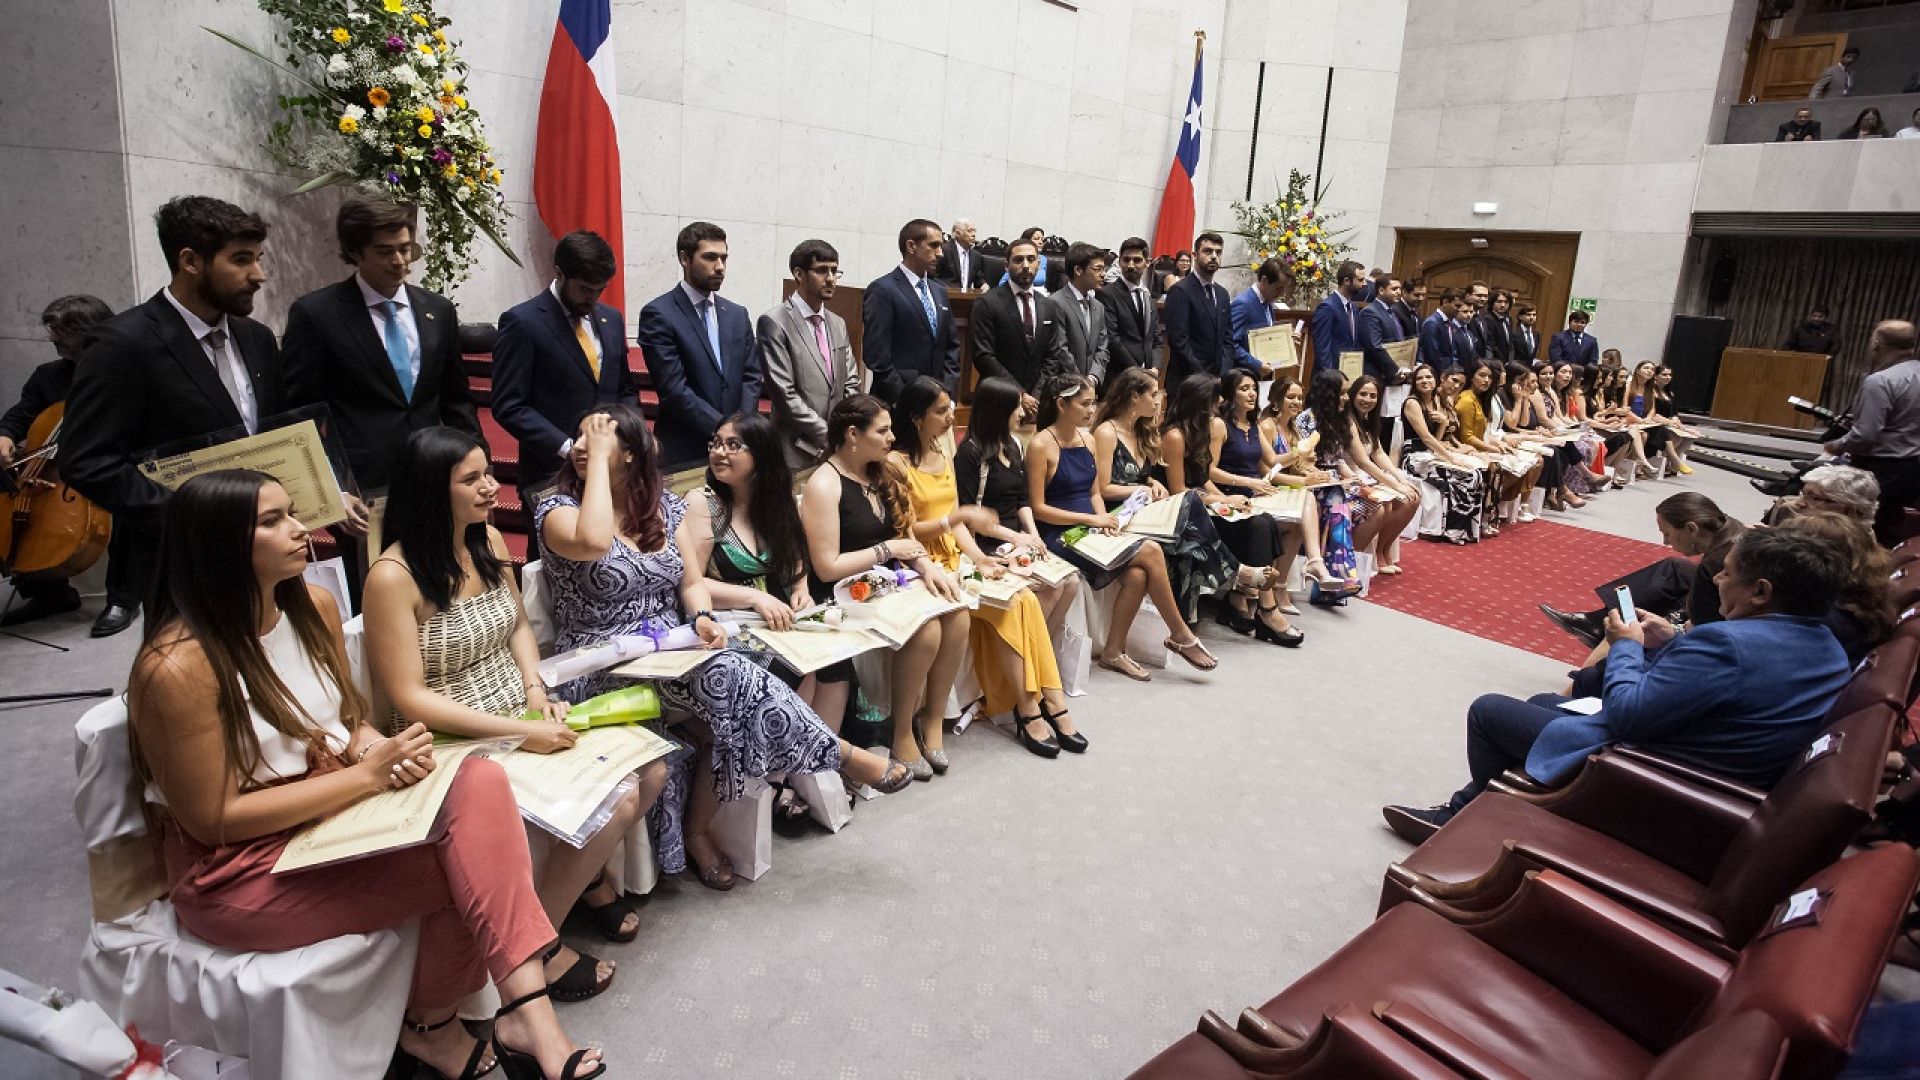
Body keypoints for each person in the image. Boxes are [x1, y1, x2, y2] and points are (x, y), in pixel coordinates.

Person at [128, 470, 605, 1080]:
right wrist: (367, 777)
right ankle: (457, 1024)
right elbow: (214, 821)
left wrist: (380, 748)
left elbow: (345, 721)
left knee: (480, 781)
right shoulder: (175, 668)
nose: (300, 529)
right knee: (469, 865)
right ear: (217, 544)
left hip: (328, 811)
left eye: (292, 511)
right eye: (272, 521)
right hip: (240, 869)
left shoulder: (314, 606)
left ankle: (506, 1016)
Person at [537, 405, 911, 884]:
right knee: (733, 676)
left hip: (666, 648)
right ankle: (842, 757)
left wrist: (702, 618)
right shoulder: (558, 511)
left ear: (630, 454)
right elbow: (592, 542)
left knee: (736, 676)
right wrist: (598, 461)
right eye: (581, 438)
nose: (582, 447)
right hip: (599, 659)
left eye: (598, 438)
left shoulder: (661, 510)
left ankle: (699, 832)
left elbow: (691, 583)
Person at [363, 427, 659, 1003]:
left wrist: (534, 690)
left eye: (488, 474)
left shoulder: (488, 540)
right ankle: (536, 947)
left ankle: (550, 912)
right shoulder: (393, 576)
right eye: (471, 479)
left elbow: (518, 625)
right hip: (452, 738)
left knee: (650, 772)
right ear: (430, 490)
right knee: (621, 796)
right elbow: (410, 698)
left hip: (515, 711)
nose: (490, 488)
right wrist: (521, 730)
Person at [1384, 527, 1854, 841]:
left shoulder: (1727, 643)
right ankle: (1471, 806)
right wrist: (1671, 640)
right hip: (1709, 762)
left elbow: (1629, 715)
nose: (1718, 580)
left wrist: (1626, 645)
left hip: (1652, 773)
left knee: (1489, 712)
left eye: (1728, 572)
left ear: (1761, 591)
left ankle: (1472, 823)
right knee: (1543, 700)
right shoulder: (1829, 646)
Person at [64, 196, 284, 639]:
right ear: (190, 261)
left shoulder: (257, 338)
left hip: (267, 560)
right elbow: (87, 461)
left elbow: (276, 435)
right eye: (242, 260)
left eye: (259, 259)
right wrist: (191, 518)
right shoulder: (122, 344)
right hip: (182, 567)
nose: (259, 275)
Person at [281, 196, 480, 600]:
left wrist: (478, 464)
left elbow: (456, 400)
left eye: (406, 249)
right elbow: (300, 414)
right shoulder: (317, 315)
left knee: (440, 589)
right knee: (375, 595)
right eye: (385, 251)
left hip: (433, 477)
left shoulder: (437, 310)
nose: (399, 262)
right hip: (364, 490)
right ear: (355, 252)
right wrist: (329, 489)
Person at [682, 412, 868, 829]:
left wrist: (800, 588)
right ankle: (777, 779)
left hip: (772, 615)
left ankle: (806, 769)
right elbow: (691, 581)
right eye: (716, 443)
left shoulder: (774, 501)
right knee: (790, 668)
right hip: (724, 622)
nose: (720, 452)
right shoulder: (703, 504)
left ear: (761, 455)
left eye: (733, 445)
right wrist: (754, 596)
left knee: (835, 660)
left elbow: (795, 558)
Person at [891, 377, 1081, 757]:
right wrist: (959, 521)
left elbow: (956, 523)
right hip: (919, 563)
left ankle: (1048, 698)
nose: (951, 417)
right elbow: (907, 531)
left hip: (956, 557)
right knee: (1013, 603)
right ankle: (1027, 707)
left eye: (950, 409)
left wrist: (979, 558)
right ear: (916, 418)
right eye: (941, 411)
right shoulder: (897, 463)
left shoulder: (941, 451)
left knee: (1024, 599)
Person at [800, 395, 971, 778]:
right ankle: (901, 731)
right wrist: (887, 551)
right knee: (927, 630)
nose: (892, 438)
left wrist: (927, 567)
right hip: (845, 592)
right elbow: (826, 568)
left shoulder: (880, 472)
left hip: (888, 580)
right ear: (852, 435)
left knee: (959, 613)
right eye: (883, 431)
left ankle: (931, 722)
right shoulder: (824, 484)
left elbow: (904, 536)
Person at [1028, 372, 1220, 679]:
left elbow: (1094, 493)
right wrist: (1093, 520)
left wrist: (1108, 522)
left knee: (1138, 575)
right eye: (1084, 404)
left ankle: (1114, 652)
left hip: (1092, 527)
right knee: (1151, 550)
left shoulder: (1088, 439)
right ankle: (1180, 634)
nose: (1092, 410)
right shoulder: (1040, 444)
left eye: (1093, 403)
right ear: (1062, 405)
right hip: (1061, 534)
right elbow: (1038, 508)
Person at [1, 294, 118, 627]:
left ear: (92, 332)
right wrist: (5, 435)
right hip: (56, 472)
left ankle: (123, 597)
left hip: (112, 464)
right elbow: (21, 415)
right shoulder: (47, 376)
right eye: (52, 332)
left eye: (64, 333)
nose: (54, 340)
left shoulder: (124, 370)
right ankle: (48, 593)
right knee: (16, 495)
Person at [491, 230, 637, 493]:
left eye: (600, 290)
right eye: (585, 289)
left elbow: (624, 388)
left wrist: (632, 436)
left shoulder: (611, 319)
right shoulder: (523, 322)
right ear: (559, 273)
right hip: (550, 472)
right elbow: (509, 405)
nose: (593, 298)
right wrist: (568, 448)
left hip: (609, 470)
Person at [1089, 367, 1235, 626]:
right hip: (1117, 513)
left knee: (1186, 530)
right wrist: (1142, 490)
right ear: (1135, 396)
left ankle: (1185, 617)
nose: (1158, 400)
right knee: (1189, 508)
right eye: (1153, 394)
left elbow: (1139, 475)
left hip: (1143, 509)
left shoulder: (1142, 430)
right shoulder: (1107, 432)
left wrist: (1152, 482)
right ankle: (1232, 572)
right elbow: (1103, 488)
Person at [1181, 371, 1314, 639]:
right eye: (1244, 388)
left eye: (1254, 388)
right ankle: (1267, 609)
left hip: (1248, 498)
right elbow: (1209, 472)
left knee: (1275, 521)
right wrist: (1245, 484)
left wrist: (1301, 452)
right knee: (1261, 526)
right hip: (1223, 497)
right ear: (1230, 394)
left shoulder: (1253, 425)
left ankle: (1242, 597)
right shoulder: (1219, 425)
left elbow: (1274, 460)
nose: (1252, 393)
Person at [956, 377, 1083, 635]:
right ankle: (1028, 648)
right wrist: (1015, 537)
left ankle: (1041, 647)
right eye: (1016, 407)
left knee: (1071, 582)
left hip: (1016, 539)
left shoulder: (1013, 444)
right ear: (998, 410)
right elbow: (968, 515)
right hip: (986, 542)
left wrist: (1034, 536)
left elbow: (1022, 499)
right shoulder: (970, 453)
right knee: (1051, 588)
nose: (1023, 413)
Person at [1539, 492, 1746, 649]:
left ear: (1691, 529)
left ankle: (1610, 633)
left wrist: (1675, 626)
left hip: (1722, 637)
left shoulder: (1713, 566)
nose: (1665, 542)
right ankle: (1599, 621)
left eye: (1667, 534)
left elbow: (1704, 627)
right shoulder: (1732, 527)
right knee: (1673, 567)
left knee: (1659, 607)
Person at [637, 221, 761, 467]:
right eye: (710, 257)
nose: (720, 267)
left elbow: (751, 376)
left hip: (736, 448)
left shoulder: (737, 314)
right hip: (685, 448)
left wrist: (741, 428)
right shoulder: (659, 313)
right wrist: (725, 431)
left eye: (724, 258)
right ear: (685, 259)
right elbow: (674, 389)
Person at [753, 239, 859, 470]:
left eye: (834, 271)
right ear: (799, 274)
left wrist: (843, 429)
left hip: (837, 449)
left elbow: (851, 382)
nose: (831, 278)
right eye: (821, 270)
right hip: (793, 448)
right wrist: (828, 434)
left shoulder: (837, 323)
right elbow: (784, 394)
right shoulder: (775, 322)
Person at [1827, 320, 1920, 545]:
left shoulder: (1880, 381)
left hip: (1879, 467)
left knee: (1858, 530)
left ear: (1877, 343)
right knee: (1889, 528)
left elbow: (1866, 435)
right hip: (1913, 466)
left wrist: (1837, 445)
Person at [1327, 374, 1422, 573]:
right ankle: (1358, 559)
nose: (1368, 400)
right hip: (1352, 476)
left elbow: (1378, 452)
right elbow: (1363, 461)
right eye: (1363, 394)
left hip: (1368, 475)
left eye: (1373, 396)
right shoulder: (1348, 420)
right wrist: (1395, 485)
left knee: (1412, 498)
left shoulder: (1368, 419)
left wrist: (1400, 478)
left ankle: (1383, 550)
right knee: (1388, 503)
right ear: (1353, 395)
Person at [862, 219, 959, 405]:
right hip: (896, 402)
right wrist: (907, 400)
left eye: (941, 246)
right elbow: (877, 357)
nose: (940, 253)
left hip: (936, 402)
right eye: (933, 245)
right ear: (911, 246)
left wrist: (946, 395)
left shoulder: (939, 291)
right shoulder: (883, 289)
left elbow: (951, 347)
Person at [970, 235, 1071, 412]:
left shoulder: (1048, 305)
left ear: (1038, 264)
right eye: (1018, 260)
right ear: (1006, 265)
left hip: (1035, 402)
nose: (1025, 265)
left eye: (1031, 259)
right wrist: (1020, 394)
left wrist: (1036, 395)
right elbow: (983, 356)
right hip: (996, 398)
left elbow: (1052, 355)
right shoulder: (987, 303)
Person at [1399, 363, 1486, 544]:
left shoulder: (1436, 401)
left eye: (1428, 377)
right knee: (1459, 476)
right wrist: (1451, 458)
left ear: (1435, 380)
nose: (1425, 381)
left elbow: (1436, 440)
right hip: (1414, 455)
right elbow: (1426, 438)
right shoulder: (1412, 403)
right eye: (1420, 378)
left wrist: (1444, 424)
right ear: (1414, 382)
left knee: (1474, 474)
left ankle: (1462, 529)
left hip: (1430, 453)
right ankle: (1452, 530)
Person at [1162, 232, 1233, 385]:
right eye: (1208, 251)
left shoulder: (1222, 294)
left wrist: (1223, 374)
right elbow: (1179, 341)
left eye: (1218, 252)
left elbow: (1227, 339)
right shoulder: (1180, 290)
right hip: (1187, 382)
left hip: (1217, 381)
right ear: (1195, 255)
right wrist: (1204, 377)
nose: (1213, 256)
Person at [1357, 273, 1412, 445]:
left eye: (1400, 289)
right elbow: (1374, 346)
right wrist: (1395, 370)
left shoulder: (1392, 312)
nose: (1399, 293)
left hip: (1391, 375)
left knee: (1389, 422)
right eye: (1394, 289)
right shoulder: (1370, 312)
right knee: (1376, 422)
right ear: (1381, 290)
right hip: (1377, 373)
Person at [1046, 242, 1112, 385]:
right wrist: (1082, 382)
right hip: (1065, 385)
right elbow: (1060, 349)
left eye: (1104, 269)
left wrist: (1093, 378)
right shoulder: (1056, 302)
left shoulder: (1098, 306)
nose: (1103, 274)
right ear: (1078, 270)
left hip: (1091, 385)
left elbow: (1103, 348)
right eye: (1098, 269)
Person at [1098, 236, 1159, 378]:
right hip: (1121, 375)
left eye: (1137, 260)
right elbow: (1112, 338)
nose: (1130, 266)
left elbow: (1156, 337)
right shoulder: (1107, 294)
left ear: (1147, 263)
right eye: (1126, 260)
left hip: (1148, 374)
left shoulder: (1147, 295)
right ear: (1119, 261)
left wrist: (1155, 367)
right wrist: (1137, 371)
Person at [1229, 258, 1295, 379]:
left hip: (1262, 376)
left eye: (1284, 289)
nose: (1282, 293)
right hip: (1244, 377)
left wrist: (1288, 340)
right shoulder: (1243, 304)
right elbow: (1230, 344)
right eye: (1278, 288)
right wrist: (1256, 364)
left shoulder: (1267, 303)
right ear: (1264, 280)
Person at [1309, 260, 1367, 373]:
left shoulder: (1353, 307)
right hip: (1330, 376)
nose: (1364, 284)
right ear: (1346, 281)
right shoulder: (1327, 307)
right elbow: (1322, 347)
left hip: (1348, 372)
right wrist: (1331, 376)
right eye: (1360, 280)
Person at [933, 217, 1000, 291]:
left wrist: (983, 284)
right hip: (946, 293)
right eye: (969, 231)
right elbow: (933, 276)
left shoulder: (976, 255)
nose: (973, 235)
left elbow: (977, 278)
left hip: (967, 295)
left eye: (974, 231)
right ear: (957, 233)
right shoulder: (944, 250)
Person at [1417, 290, 1468, 372]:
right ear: (1445, 302)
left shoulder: (1450, 323)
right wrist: (1442, 373)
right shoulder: (1432, 323)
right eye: (1457, 306)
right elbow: (1432, 355)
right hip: (1438, 372)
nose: (1459, 310)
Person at [1474, 289, 1517, 363]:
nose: (1503, 305)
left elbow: (1510, 343)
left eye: (1506, 302)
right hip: (1494, 361)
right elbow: (1491, 345)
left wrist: (1510, 360)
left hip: (1507, 361)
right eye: (1499, 302)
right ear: (1492, 303)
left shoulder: (1508, 319)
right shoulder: (1487, 319)